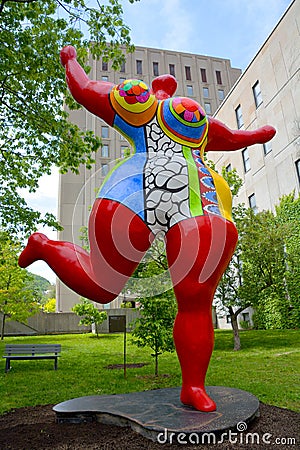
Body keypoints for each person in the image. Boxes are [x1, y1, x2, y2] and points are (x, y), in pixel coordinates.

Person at [19, 46, 276, 411]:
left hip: (195, 200)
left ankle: (193, 387)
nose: (166, 86)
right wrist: (70, 62)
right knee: (103, 288)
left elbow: (231, 137)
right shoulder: (138, 105)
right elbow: (84, 89)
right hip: (133, 194)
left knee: (195, 299)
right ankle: (44, 246)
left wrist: (256, 137)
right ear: (159, 85)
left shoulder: (192, 121)